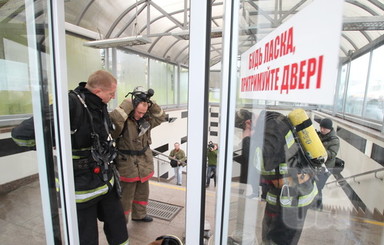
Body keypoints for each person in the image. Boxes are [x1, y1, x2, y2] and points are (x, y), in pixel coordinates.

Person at [11, 70, 129, 245]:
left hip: (105, 181)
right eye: (111, 93)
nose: (113, 97)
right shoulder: (70, 104)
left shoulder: (98, 105)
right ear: (98, 91)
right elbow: (21, 135)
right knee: (86, 237)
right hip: (82, 188)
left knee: (118, 226)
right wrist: (53, 143)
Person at [259, 110, 318, 245]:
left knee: (280, 239)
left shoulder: (273, 132)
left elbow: (268, 170)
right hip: (295, 196)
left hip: (291, 201)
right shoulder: (284, 127)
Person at [110, 86, 166, 222]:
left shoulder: (146, 120)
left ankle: (139, 215)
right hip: (126, 163)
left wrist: (151, 105)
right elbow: (113, 121)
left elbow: (161, 117)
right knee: (125, 196)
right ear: (133, 107)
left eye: (144, 112)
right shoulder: (122, 122)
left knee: (142, 193)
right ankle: (121, 222)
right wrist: (127, 104)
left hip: (144, 162)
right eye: (139, 112)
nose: (141, 115)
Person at [315, 118, 340, 210]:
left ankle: (318, 207)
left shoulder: (334, 140)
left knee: (318, 186)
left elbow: (332, 154)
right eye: (321, 127)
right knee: (313, 185)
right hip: (317, 165)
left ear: (330, 129)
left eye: (324, 128)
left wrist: (321, 153)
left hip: (326, 168)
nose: (322, 130)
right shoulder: (319, 135)